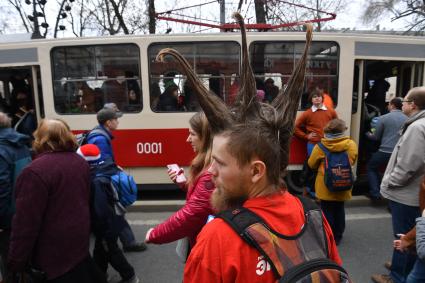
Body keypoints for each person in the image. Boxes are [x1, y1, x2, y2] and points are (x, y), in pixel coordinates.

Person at [153, 13, 341, 282]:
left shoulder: (216, 239)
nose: (211, 171)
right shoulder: (313, 217)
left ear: (256, 171)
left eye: (219, 162)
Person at [7, 119, 106, 282]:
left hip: (52, 259)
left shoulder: (34, 172)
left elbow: (25, 224)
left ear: (40, 139)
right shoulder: (79, 162)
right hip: (78, 248)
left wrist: (16, 262)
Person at [372, 87, 425, 283]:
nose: (402, 103)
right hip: (413, 194)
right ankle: (399, 265)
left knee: (404, 236)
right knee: (409, 234)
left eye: (405, 101)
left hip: (406, 195)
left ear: (413, 105)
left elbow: (408, 164)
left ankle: (396, 276)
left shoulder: (417, 127)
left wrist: (390, 183)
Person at [145, 112, 214, 256]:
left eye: (192, 134)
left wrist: (154, 234)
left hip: (205, 246)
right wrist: (183, 183)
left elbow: (190, 216)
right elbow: (203, 199)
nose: (188, 139)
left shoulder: (209, 173)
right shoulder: (209, 165)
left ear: (206, 137)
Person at [87, 104, 147, 253]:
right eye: (115, 119)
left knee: (116, 212)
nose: (117, 122)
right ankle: (126, 244)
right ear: (108, 122)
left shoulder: (99, 134)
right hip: (103, 183)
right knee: (116, 211)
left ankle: (127, 242)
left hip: (100, 181)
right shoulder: (101, 139)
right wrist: (115, 171)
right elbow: (102, 164)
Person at [77, 144, 140, 283]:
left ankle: (130, 277)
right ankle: (99, 276)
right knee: (100, 251)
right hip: (114, 219)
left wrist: (99, 228)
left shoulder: (96, 181)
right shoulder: (105, 168)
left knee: (111, 251)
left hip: (106, 225)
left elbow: (100, 210)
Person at [308, 118, 358, 245]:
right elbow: (352, 160)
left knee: (326, 210)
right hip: (343, 181)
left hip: (325, 184)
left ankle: (328, 236)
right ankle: (338, 235)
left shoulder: (320, 146)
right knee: (339, 209)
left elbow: (311, 164)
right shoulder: (351, 144)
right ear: (342, 131)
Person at [0, 112, 31, 279]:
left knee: (9, 260)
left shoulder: (1, 148)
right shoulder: (21, 143)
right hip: (24, 209)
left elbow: (1, 187)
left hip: (7, 217)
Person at [366, 97, 407, 200]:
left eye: (389, 104)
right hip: (400, 152)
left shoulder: (383, 118)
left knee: (371, 167)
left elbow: (375, 137)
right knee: (394, 173)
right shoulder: (408, 118)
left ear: (392, 105)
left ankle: (375, 193)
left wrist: (366, 133)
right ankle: (391, 198)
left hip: (385, 151)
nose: (388, 106)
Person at [294, 89, 338, 156]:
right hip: (313, 144)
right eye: (314, 97)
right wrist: (306, 136)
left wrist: (333, 137)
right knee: (313, 165)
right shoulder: (307, 113)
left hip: (328, 144)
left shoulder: (331, 111)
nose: (317, 98)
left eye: (319, 96)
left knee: (327, 164)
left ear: (322, 99)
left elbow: (337, 125)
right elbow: (295, 127)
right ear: (311, 100)